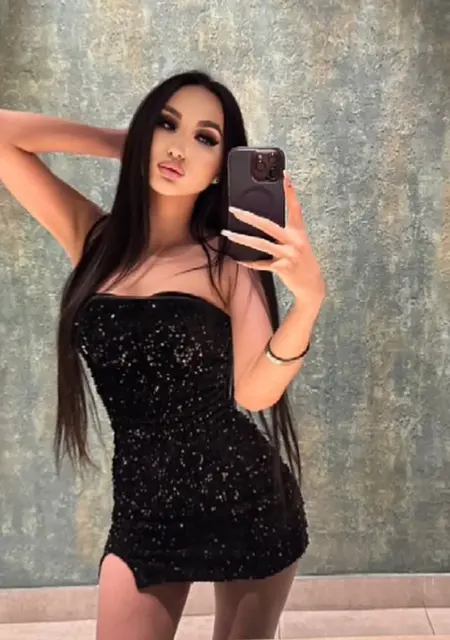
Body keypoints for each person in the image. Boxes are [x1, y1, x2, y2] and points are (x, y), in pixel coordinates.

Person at [0, 70, 325, 640]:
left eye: (205, 138)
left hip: (244, 498)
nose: (178, 148)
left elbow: (255, 394)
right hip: (144, 512)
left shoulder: (228, 261)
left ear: (223, 166)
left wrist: (309, 301)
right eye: (167, 125)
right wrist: (124, 143)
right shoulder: (96, 241)